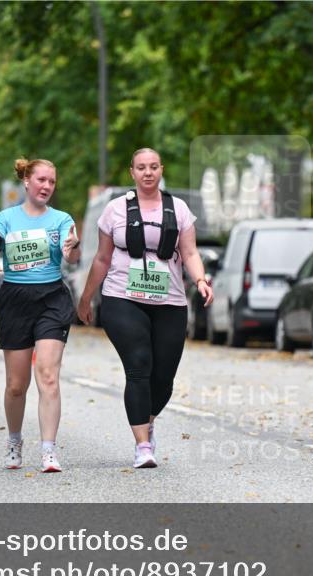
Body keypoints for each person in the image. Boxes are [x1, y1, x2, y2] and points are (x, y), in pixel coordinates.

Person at [78, 148, 213, 469]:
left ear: (161, 170)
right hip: (121, 297)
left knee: (163, 378)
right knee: (139, 364)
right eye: (141, 167)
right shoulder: (114, 210)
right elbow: (102, 258)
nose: (148, 172)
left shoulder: (179, 209)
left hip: (170, 301)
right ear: (132, 172)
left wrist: (201, 280)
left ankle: (147, 420)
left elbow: (190, 252)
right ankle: (142, 446)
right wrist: (86, 297)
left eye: (153, 167)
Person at [0, 158, 80, 473]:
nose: (47, 186)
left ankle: (48, 450)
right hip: (15, 300)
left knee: (48, 375)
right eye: (41, 180)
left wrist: (72, 248)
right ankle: (14, 440)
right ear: (26, 181)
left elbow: (73, 254)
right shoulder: (6, 218)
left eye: (52, 181)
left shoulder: (62, 219)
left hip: (52, 298)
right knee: (16, 385)